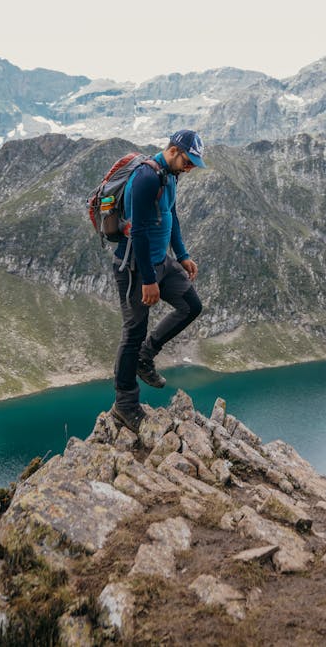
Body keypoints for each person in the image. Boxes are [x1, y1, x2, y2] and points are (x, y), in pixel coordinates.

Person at [110, 129, 206, 432]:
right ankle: (125, 405)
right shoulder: (146, 177)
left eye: (193, 163)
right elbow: (137, 231)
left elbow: (171, 215)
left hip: (161, 261)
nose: (190, 167)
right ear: (174, 150)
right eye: (188, 160)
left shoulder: (170, 177)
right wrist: (148, 281)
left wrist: (182, 254)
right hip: (136, 267)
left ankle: (146, 356)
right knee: (133, 331)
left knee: (191, 305)